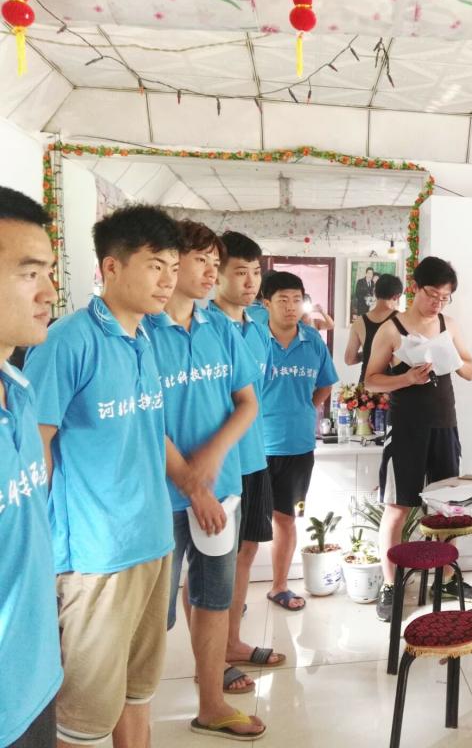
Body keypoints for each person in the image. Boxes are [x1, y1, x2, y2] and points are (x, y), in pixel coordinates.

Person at [24, 205, 182, 748]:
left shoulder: (145, 338)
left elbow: (148, 433)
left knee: (137, 694)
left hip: (153, 540)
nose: (168, 280)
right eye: (155, 266)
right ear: (111, 267)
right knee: (84, 719)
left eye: (173, 267)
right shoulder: (67, 341)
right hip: (96, 557)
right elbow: (36, 447)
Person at [143, 221, 264, 740]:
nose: (212, 272)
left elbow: (247, 403)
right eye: (201, 261)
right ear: (172, 263)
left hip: (222, 493)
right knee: (154, 617)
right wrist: (192, 485)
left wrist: (212, 458)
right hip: (161, 498)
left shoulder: (220, 328)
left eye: (217, 262)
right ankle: (134, 724)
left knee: (215, 599)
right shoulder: (144, 331)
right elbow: (144, 420)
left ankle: (212, 704)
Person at [364, 256, 472, 622]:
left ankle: (444, 580)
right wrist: (406, 378)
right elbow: (370, 380)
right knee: (397, 508)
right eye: (433, 295)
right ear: (415, 288)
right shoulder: (392, 329)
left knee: (447, 507)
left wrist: (454, 361)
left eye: (445, 297)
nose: (438, 303)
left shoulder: (448, 324)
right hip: (406, 430)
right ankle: (390, 585)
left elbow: (471, 369)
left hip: (444, 426)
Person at [207, 230, 286, 680]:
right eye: (240, 272)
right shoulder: (202, 327)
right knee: (212, 562)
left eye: (256, 272)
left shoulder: (256, 328)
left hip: (255, 455)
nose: (251, 281)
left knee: (247, 549)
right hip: (219, 461)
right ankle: (210, 660)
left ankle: (232, 641)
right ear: (215, 275)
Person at [0, 187, 61, 748]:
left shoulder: (18, 391)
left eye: (49, 272)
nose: (49, 292)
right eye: (29, 273)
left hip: (36, 679)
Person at [261, 271, 339, 611]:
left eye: (296, 300)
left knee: (286, 519)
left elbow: (326, 383)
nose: (291, 307)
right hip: (255, 446)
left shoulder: (312, 341)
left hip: (298, 445)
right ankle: (232, 598)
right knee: (244, 528)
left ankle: (279, 587)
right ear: (266, 303)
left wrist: (308, 406)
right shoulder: (253, 339)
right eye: (283, 300)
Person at [344, 273, 403, 384]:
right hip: (391, 385)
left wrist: (368, 353)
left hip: (366, 387)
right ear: (397, 296)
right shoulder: (402, 319)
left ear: (375, 292)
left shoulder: (359, 322)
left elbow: (349, 359)